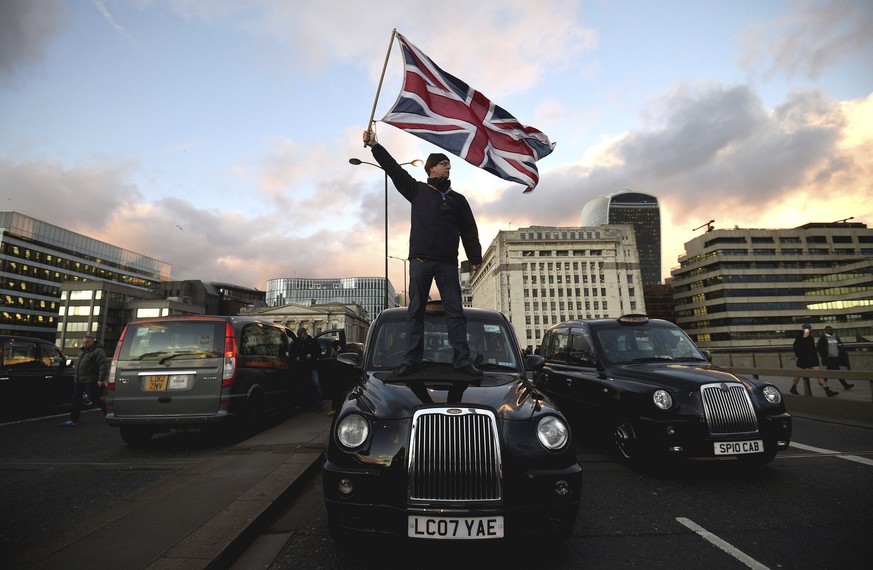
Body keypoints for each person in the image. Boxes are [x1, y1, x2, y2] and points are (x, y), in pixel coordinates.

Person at [363, 128, 482, 377]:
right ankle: (411, 361)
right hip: (420, 262)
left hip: (448, 264)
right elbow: (394, 169)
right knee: (415, 312)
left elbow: (469, 230)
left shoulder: (458, 199)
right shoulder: (417, 191)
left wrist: (475, 258)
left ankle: (462, 361)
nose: (448, 168)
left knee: (455, 313)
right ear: (430, 169)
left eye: (449, 165)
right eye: (443, 164)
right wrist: (375, 146)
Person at [61, 335, 108, 426]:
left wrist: (101, 380)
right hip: (79, 379)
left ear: (92, 342)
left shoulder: (97, 351)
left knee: (92, 397)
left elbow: (103, 366)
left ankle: (106, 411)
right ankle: (74, 420)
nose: (85, 344)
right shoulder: (82, 352)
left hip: (90, 379)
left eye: (87, 342)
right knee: (76, 399)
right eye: (84, 342)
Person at [790, 324, 837, 397]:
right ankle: (793, 388)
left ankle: (827, 390)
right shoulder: (801, 337)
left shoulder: (809, 337)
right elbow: (798, 346)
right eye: (808, 329)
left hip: (812, 359)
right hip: (804, 359)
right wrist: (798, 355)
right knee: (798, 374)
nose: (809, 330)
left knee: (818, 374)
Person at [292, 327, 322, 411]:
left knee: (316, 385)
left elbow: (319, 352)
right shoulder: (296, 343)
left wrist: (311, 355)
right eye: (300, 337)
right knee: (303, 388)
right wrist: (296, 358)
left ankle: (319, 405)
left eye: (302, 337)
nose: (301, 339)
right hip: (301, 368)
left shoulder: (313, 342)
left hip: (312, 367)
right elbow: (292, 354)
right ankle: (305, 405)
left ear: (306, 334)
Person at [817, 325, 854, 390]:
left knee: (830, 371)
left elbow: (839, 344)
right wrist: (824, 356)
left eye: (831, 329)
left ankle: (822, 382)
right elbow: (819, 347)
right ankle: (845, 385)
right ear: (825, 331)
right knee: (837, 371)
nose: (830, 331)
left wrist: (842, 351)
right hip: (829, 357)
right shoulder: (823, 337)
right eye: (828, 330)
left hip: (836, 356)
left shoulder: (835, 337)